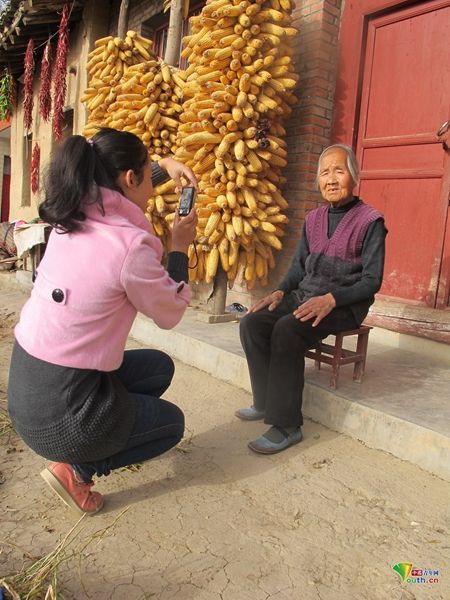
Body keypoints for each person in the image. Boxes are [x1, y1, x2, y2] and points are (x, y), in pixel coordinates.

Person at [7, 128, 198, 515]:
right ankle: (77, 468)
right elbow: (170, 311)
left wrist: (160, 166)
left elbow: (119, 191)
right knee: (171, 425)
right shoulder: (130, 245)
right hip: (59, 418)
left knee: (158, 367)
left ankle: (105, 430)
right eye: (146, 175)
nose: (150, 185)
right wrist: (180, 247)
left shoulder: (68, 218)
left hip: (27, 392)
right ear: (130, 177)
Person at [236, 144, 387, 454]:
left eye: (339, 171)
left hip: (344, 304)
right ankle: (265, 402)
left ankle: (287, 425)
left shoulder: (371, 221)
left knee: (287, 329)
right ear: (318, 180)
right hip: (307, 294)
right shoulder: (314, 218)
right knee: (252, 322)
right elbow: (297, 267)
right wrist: (279, 291)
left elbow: (372, 281)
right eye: (324, 173)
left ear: (354, 177)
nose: (331, 179)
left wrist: (333, 299)